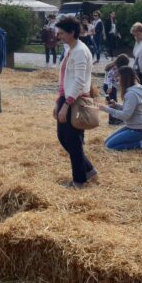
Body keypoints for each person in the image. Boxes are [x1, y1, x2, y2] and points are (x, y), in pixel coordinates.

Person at [53, 16, 96, 188]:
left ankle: (79, 180)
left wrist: (66, 104)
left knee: (72, 140)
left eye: (62, 33)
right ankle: (88, 170)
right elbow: (65, 77)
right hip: (67, 97)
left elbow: (79, 80)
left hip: (75, 99)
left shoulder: (79, 51)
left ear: (72, 33)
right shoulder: (70, 49)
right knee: (64, 137)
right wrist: (59, 100)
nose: (59, 36)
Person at [99, 66, 142, 150]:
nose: (117, 79)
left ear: (125, 77)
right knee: (106, 143)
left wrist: (106, 109)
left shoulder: (131, 94)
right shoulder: (132, 90)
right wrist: (116, 105)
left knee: (109, 146)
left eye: (119, 76)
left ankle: (141, 143)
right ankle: (138, 140)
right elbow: (129, 109)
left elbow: (125, 115)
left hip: (138, 129)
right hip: (132, 126)